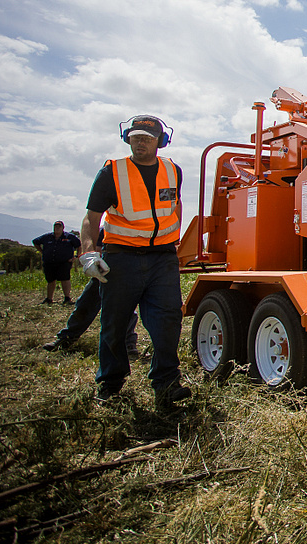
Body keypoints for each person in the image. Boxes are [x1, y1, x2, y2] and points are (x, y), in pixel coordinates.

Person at [78, 114, 191, 408]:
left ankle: (167, 383)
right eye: (135, 137)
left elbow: (175, 204)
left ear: (160, 142)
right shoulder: (111, 172)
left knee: (168, 320)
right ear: (127, 138)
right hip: (122, 257)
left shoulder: (173, 170)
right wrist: (89, 251)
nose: (140, 142)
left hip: (162, 258)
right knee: (114, 323)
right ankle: (111, 384)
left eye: (147, 138)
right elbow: (92, 217)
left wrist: (174, 241)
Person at [42, 226, 141, 359]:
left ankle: (129, 345)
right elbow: (98, 249)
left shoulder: (137, 226)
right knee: (85, 305)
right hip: (103, 271)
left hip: (128, 271)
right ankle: (66, 338)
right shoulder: (105, 228)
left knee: (126, 309)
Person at [32, 221, 79, 304]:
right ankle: (49, 299)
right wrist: (41, 251)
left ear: (62, 228)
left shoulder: (69, 237)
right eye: (55, 226)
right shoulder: (47, 237)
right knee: (50, 280)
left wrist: (76, 257)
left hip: (64, 262)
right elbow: (35, 241)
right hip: (49, 262)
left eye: (59, 226)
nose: (57, 228)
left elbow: (78, 245)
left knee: (65, 279)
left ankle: (67, 298)